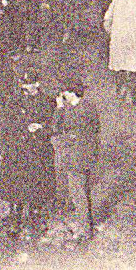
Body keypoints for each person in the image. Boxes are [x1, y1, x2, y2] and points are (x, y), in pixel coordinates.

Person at [0, 72, 57, 239]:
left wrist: (41, 127)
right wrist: (22, 128)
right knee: (15, 186)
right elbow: (7, 123)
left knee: (37, 185)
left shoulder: (48, 102)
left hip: (39, 149)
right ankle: (15, 218)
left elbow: (55, 125)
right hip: (18, 149)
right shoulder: (14, 101)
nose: (25, 88)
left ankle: (35, 218)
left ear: (37, 84)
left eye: (29, 84)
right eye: (23, 84)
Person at [51, 82, 100, 240]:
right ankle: (87, 224)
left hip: (75, 158)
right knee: (84, 191)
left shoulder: (71, 111)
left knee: (77, 193)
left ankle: (85, 230)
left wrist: (59, 107)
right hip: (88, 156)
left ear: (71, 93)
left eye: (65, 92)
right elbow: (96, 128)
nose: (63, 95)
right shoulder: (89, 106)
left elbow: (55, 127)